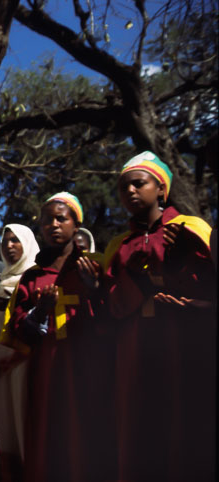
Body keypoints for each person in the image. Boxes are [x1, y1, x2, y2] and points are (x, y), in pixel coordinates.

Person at [103, 151, 215, 481]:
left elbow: (209, 286)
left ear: (161, 189)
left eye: (139, 183)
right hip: (134, 346)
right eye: (124, 188)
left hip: (182, 342)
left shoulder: (192, 228)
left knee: (182, 422)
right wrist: (131, 281)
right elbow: (112, 305)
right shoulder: (118, 246)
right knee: (137, 425)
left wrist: (183, 260)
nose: (130, 192)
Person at [1, 192, 114, 481]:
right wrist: (39, 312)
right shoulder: (32, 277)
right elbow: (17, 329)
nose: (53, 225)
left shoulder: (95, 265)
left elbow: (117, 316)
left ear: (76, 226)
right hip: (47, 370)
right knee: (47, 435)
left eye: (61, 218)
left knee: (90, 433)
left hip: (89, 366)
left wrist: (97, 288)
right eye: (47, 220)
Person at [0, 224, 39, 482]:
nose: (9, 246)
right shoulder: (3, 280)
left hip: (25, 363)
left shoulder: (34, 277)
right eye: (5, 241)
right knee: (7, 427)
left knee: (26, 422)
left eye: (16, 240)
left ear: (27, 244)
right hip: (3, 365)